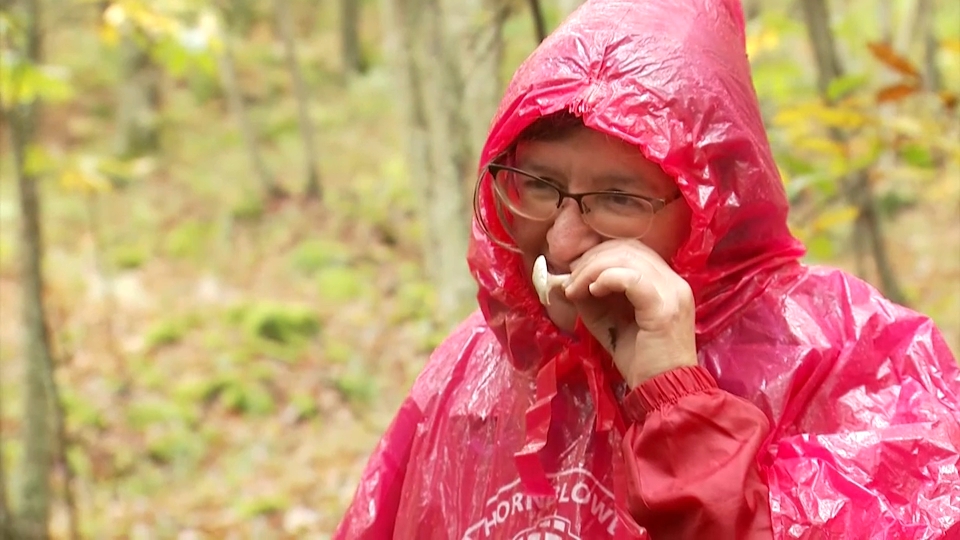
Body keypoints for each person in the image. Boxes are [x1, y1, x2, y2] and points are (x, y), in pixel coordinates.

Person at [334, 0, 960, 538]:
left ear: (710, 207)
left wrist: (677, 403)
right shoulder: (469, 372)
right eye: (538, 184)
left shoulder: (852, 359)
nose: (563, 237)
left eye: (619, 199)